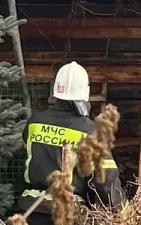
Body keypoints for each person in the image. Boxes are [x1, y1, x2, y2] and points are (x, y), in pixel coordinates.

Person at [16, 62, 126, 224]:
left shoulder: (34, 122)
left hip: (31, 210)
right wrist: (124, 212)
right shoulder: (90, 131)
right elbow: (106, 180)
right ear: (84, 92)